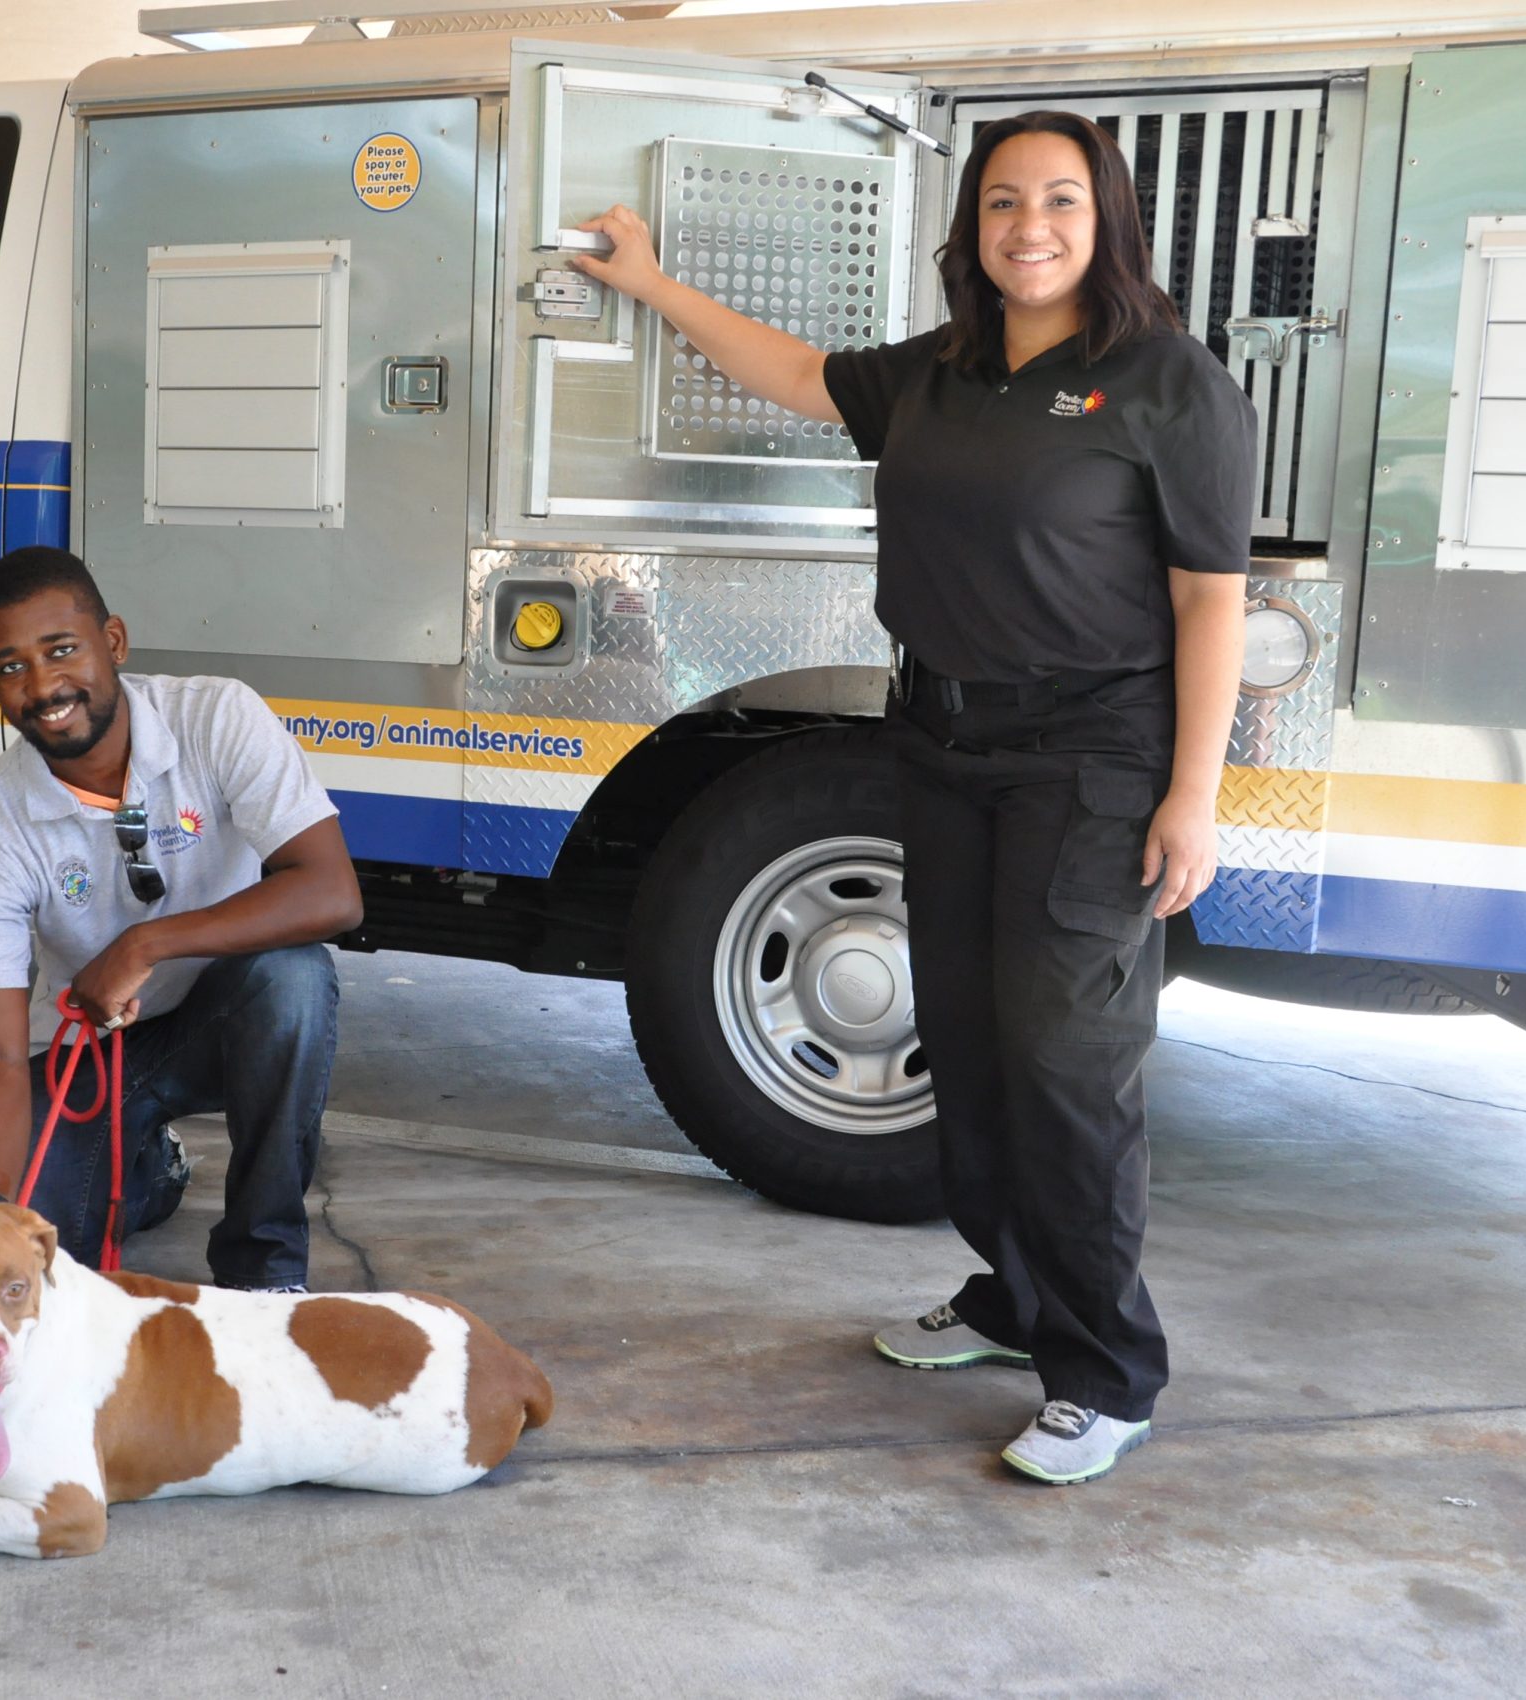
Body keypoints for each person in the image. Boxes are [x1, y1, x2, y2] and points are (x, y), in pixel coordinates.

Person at [573, 111, 1251, 1483]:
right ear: (974, 228)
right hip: (941, 745)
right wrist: (648, 286)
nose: (1032, 227)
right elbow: (796, 373)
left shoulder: (1168, 381)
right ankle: (1011, 1297)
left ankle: (1107, 1370)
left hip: (1093, 756)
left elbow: (1208, 597)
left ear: (1107, 219)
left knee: (1064, 1064)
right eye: (1005, 203)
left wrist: (1193, 792)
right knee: (971, 1043)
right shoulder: (942, 373)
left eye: (1061, 201)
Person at [0, 545, 364, 1292]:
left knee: (294, 980)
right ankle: (150, 1168)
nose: (41, 686)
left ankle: (264, 1274)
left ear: (115, 642)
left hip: (224, 1020)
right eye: (10, 667)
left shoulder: (215, 717)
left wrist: (147, 943)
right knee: (40, 1254)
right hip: (90, 1057)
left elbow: (332, 892)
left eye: (61, 650)